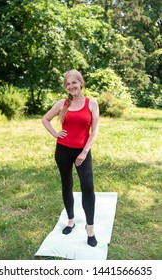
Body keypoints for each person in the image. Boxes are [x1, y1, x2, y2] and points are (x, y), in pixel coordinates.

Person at [42, 69, 99, 247]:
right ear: (65, 87)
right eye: (68, 84)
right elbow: (45, 119)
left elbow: (94, 131)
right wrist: (55, 134)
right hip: (63, 151)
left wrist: (84, 152)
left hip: (82, 151)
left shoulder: (92, 103)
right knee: (67, 184)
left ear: (81, 83)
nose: (71, 86)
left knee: (88, 187)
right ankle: (71, 220)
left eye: (74, 82)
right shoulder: (62, 103)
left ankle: (90, 229)